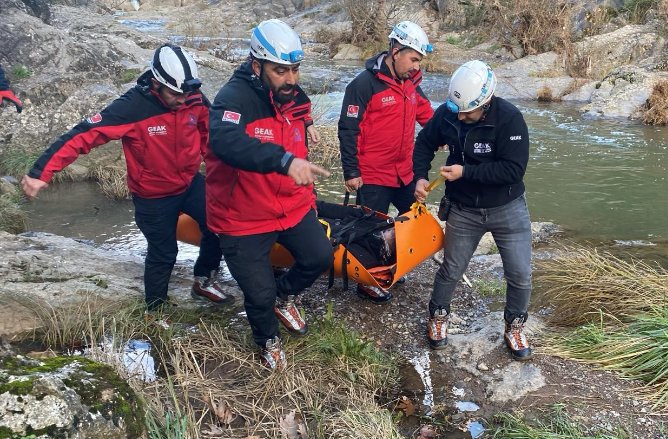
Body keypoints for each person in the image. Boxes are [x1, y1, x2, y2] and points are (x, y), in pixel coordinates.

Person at [22, 44, 232, 310]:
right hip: (152, 195)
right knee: (164, 253)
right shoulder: (131, 107)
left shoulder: (193, 97)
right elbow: (83, 135)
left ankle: (204, 279)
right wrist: (41, 172)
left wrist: (220, 169)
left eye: (187, 93)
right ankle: (156, 309)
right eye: (176, 94)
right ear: (156, 82)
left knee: (221, 223)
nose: (183, 100)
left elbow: (209, 132)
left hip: (190, 183)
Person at [206, 19, 332, 369]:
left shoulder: (291, 92)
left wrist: (307, 124)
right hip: (242, 217)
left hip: (290, 207)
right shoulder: (234, 98)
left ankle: (285, 295)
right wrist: (284, 159)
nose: (291, 79)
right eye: (281, 70)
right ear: (256, 65)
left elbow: (301, 105)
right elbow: (225, 141)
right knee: (257, 294)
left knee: (320, 257)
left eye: (295, 69)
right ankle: (268, 340)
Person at [413, 60, 533, 360]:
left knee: (520, 274)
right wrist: (420, 175)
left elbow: (513, 170)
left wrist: (466, 173)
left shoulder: (509, 119)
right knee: (452, 268)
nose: (462, 116)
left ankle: (515, 325)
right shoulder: (450, 113)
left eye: (469, 111)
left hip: (508, 207)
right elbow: (424, 143)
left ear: (487, 102)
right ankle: (438, 316)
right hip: (464, 209)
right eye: (458, 110)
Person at [338, 20, 434, 304]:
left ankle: (393, 265)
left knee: (412, 222)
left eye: (419, 61)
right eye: (413, 59)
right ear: (395, 51)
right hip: (372, 174)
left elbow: (428, 116)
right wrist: (351, 171)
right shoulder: (363, 85)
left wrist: (445, 134)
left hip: (404, 172)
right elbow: (348, 128)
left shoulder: (413, 84)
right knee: (370, 229)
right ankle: (366, 280)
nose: (416, 66)